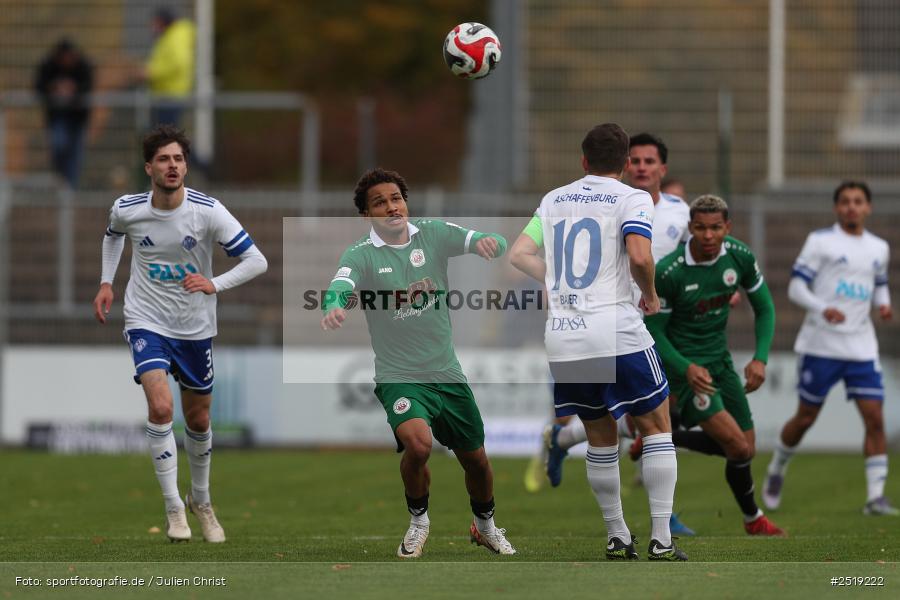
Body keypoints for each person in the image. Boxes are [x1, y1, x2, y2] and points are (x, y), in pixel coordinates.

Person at [510, 123, 686, 561]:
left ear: (583, 161)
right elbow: (641, 256)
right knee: (658, 427)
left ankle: (617, 536)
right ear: (627, 164)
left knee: (599, 435)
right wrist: (649, 294)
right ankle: (661, 539)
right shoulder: (631, 197)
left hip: (565, 336)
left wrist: (555, 280)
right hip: (617, 328)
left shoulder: (554, 198)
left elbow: (518, 255)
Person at [320, 168, 516, 558]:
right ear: (366, 215)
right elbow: (341, 284)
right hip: (399, 376)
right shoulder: (361, 254)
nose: (391, 207)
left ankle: (485, 525)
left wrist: (489, 241)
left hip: (446, 373)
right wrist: (333, 306)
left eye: (396, 198)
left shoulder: (432, 232)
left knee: (476, 461)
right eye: (379, 202)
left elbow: (478, 237)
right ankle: (418, 521)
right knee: (419, 444)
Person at [92, 125, 267, 542]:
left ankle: (200, 499)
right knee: (159, 408)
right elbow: (113, 236)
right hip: (145, 319)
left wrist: (215, 283)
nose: (173, 166)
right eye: (165, 159)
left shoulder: (207, 211)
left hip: (194, 326)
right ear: (149, 166)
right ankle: (173, 507)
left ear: (186, 166)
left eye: (179, 159)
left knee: (200, 418)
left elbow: (256, 260)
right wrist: (106, 282)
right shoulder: (128, 207)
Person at [643, 195, 784, 536]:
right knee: (736, 445)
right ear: (691, 228)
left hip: (720, 363)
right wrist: (686, 368)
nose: (708, 235)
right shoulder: (670, 272)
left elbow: (764, 308)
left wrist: (760, 358)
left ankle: (667, 437)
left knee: (744, 449)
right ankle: (754, 520)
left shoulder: (740, 256)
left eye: (716, 228)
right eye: (701, 228)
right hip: (687, 372)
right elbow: (654, 330)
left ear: (727, 228)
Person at [764, 181, 896, 516]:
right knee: (806, 417)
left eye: (858, 201)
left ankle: (875, 498)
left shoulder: (879, 247)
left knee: (875, 419)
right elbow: (795, 287)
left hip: (861, 347)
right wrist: (823, 308)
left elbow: (878, 285)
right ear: (837, 207)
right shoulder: (820, 241)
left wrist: (884, 306)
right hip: (821, 344)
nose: (852, 206)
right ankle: (778, 466)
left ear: (868, 207)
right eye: (846, 201)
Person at [34, 38, 94, 188]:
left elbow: (88, 86)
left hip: (78, 118)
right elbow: (39, 86)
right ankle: (60, 180)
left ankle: (70, 191)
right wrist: (54, 87)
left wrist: (74, 89)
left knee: (75, 155)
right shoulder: (48, 65)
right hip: (58, 117)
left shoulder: (82, 65)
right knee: (58, 146)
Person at [145, 7, 195, 127]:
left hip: (171, 95)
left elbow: (179, 63)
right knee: (164, 135)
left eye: (155, 22)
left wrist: (153, 72)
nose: (152, 26)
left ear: (163, 22)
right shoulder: (169, 37)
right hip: (165, 94)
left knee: (166, 135)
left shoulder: (175, 38)